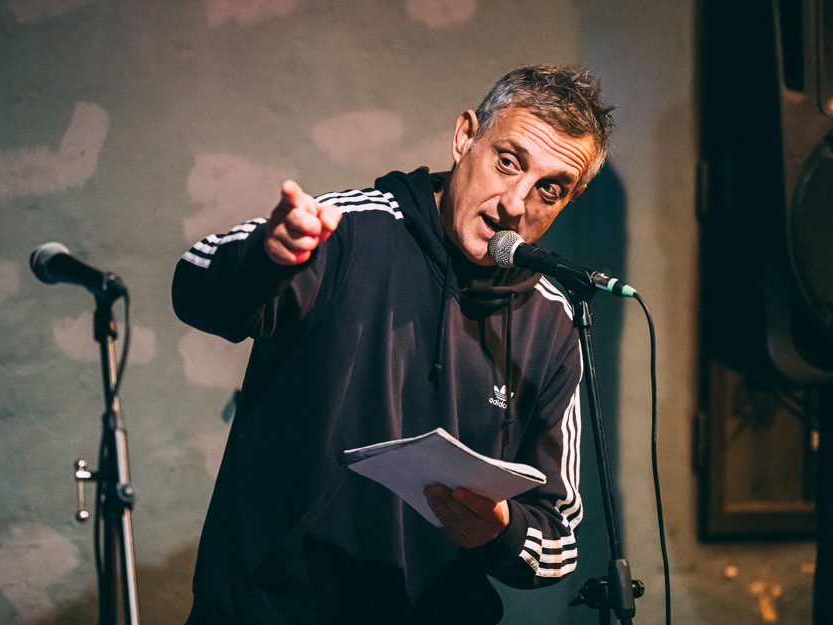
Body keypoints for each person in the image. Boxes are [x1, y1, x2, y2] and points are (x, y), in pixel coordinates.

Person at [172, 64, 614, 624]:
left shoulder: (554, 323)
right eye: (508, 161)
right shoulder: (347, 231)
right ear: (464, 137)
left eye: (549, 188)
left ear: (569, 199)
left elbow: (558, 544)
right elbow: (195, 285)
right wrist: (266, 257)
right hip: (274, 610)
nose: (514, 203)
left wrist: (501, 530)